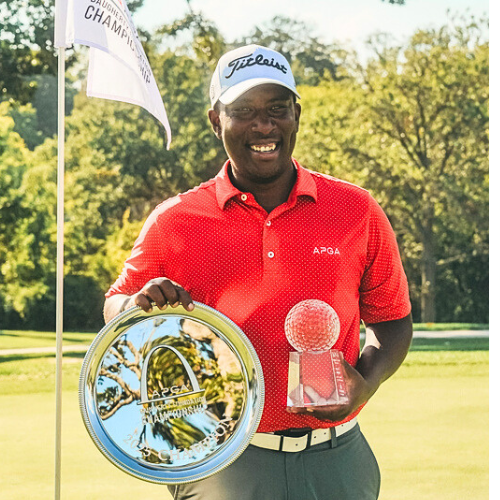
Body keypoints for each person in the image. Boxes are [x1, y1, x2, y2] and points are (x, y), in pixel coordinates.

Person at [104, 44, 413, 500]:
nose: (263, 125)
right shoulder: (175, 220)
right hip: (219, 457)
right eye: (244, 111)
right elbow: (117, 304)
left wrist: (364, 384)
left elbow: (393, 322)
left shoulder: (356, 209)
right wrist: (133, 305)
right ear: (216, 121)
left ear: (296, 116)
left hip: (337, 458)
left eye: (277, 109)